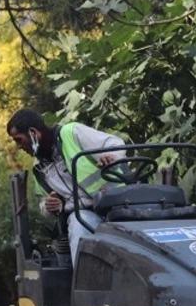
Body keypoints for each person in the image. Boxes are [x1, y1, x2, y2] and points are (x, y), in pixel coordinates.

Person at [7, 109, 125, 266]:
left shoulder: (72, 132)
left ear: (33, 132)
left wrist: (111, 157)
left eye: (19, 140)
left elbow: (115, 144)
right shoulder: (39, 169)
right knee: (77, 221)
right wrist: (50, 206)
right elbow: (43, 204)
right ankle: (86, 283)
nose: (19, 147)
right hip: (87, 215)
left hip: (118, 204)